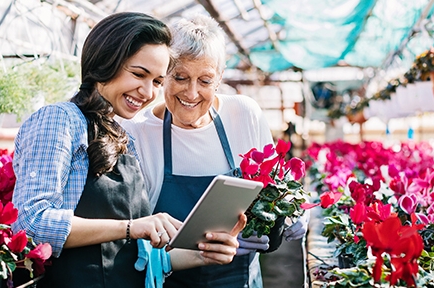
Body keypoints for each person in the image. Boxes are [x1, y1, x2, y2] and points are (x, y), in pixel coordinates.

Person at [11, 12, 245, 288]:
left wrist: (205, 253)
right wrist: (131, 227)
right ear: (105, 63)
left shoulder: (122, 137)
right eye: (138, 74)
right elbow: (31, 224)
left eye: (157, 81)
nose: (147, 92)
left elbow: (140, 260)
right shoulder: (60, 120)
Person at [122, 14, 308, 288]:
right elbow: (130, 238)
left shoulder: (244, 114)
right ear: (163, 76)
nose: (192, 92)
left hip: (242, 280)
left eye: (205, 80)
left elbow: (275, 188)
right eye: (181, 77)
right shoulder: (138, 133)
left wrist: (289, 215)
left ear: (220, 78)